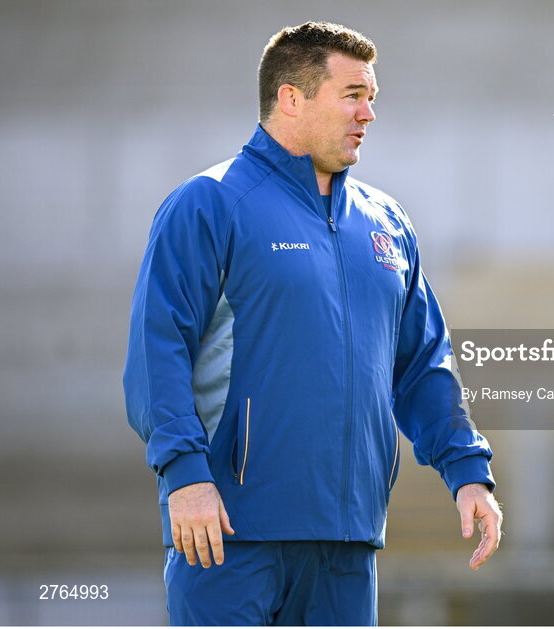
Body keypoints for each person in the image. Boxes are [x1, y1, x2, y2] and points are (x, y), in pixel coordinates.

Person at [123, 21, 502, 625]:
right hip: (227, 531)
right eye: (353, 95)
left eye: (371, 97)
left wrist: (468, 471)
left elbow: (424, 362)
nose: (369, 113)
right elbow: (157, 350)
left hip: (348, 541)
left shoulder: (387, 222)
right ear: (291, 98)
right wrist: (186, 476)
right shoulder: (210, 203)